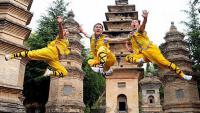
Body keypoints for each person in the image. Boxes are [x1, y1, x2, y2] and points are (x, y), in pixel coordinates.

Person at [119, 10, 192, 80]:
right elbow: (121, 40)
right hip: (143, 54)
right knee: (127, 58)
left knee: (166, 64)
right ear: (131, 25)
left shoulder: (140, 31)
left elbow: (143, 25)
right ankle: (139, 61)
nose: (134, 23)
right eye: (132, 22)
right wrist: (109, 40)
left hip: (151, 51)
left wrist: (145, 18)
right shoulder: (130, 36)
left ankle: (182, 75)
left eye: (135, 22)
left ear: (138, 24)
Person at [5, 16, 70, 78]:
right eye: (65, 31)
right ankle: (11, 56)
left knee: (64, 73)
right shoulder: (61, 38)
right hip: (50, 52)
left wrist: (80, 31)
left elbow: (65, 51)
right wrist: (60, 24)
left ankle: (50, 72)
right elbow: (61, 31)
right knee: (31, 53)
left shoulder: (67, 42)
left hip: (54, 58)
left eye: (67, 31)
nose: (66, 32)